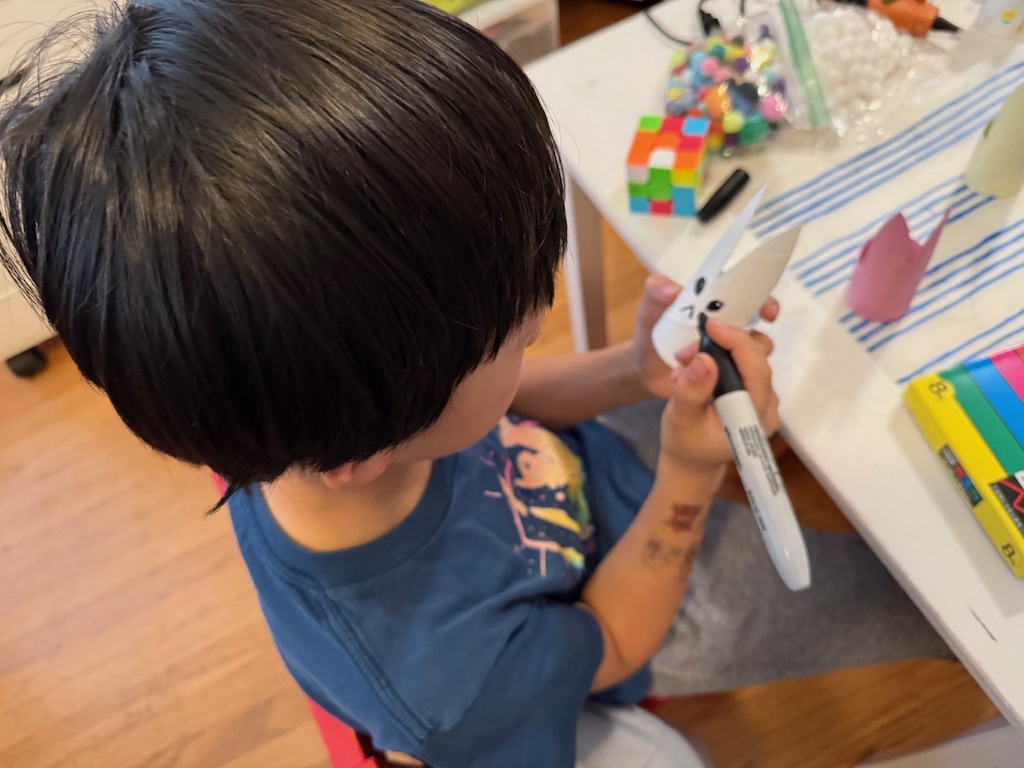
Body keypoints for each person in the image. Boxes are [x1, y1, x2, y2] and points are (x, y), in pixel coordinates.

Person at [0, 0, 950, 765]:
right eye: (505, 326)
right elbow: (610, 644)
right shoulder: (450, 685)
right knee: (925, 601)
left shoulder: (342, 421)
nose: (538, 310)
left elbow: (511, 396)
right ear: (364, 452)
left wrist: (633, 368)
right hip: (598, 620)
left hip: (568, 504)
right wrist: (686, 486)